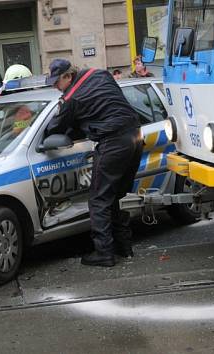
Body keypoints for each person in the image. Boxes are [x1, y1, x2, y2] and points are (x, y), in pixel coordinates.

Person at [44, 59, 143, 267]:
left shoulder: (70, 98)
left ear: (68, 76)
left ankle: (104, 253)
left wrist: (72, 125)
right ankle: (124, 247)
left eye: (56, 82)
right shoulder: (100, 74)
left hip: (113, 142)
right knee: (113, 195)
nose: (55, 87)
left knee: (98, 199)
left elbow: (54, 129)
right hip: (135, 135)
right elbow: (107, 104)